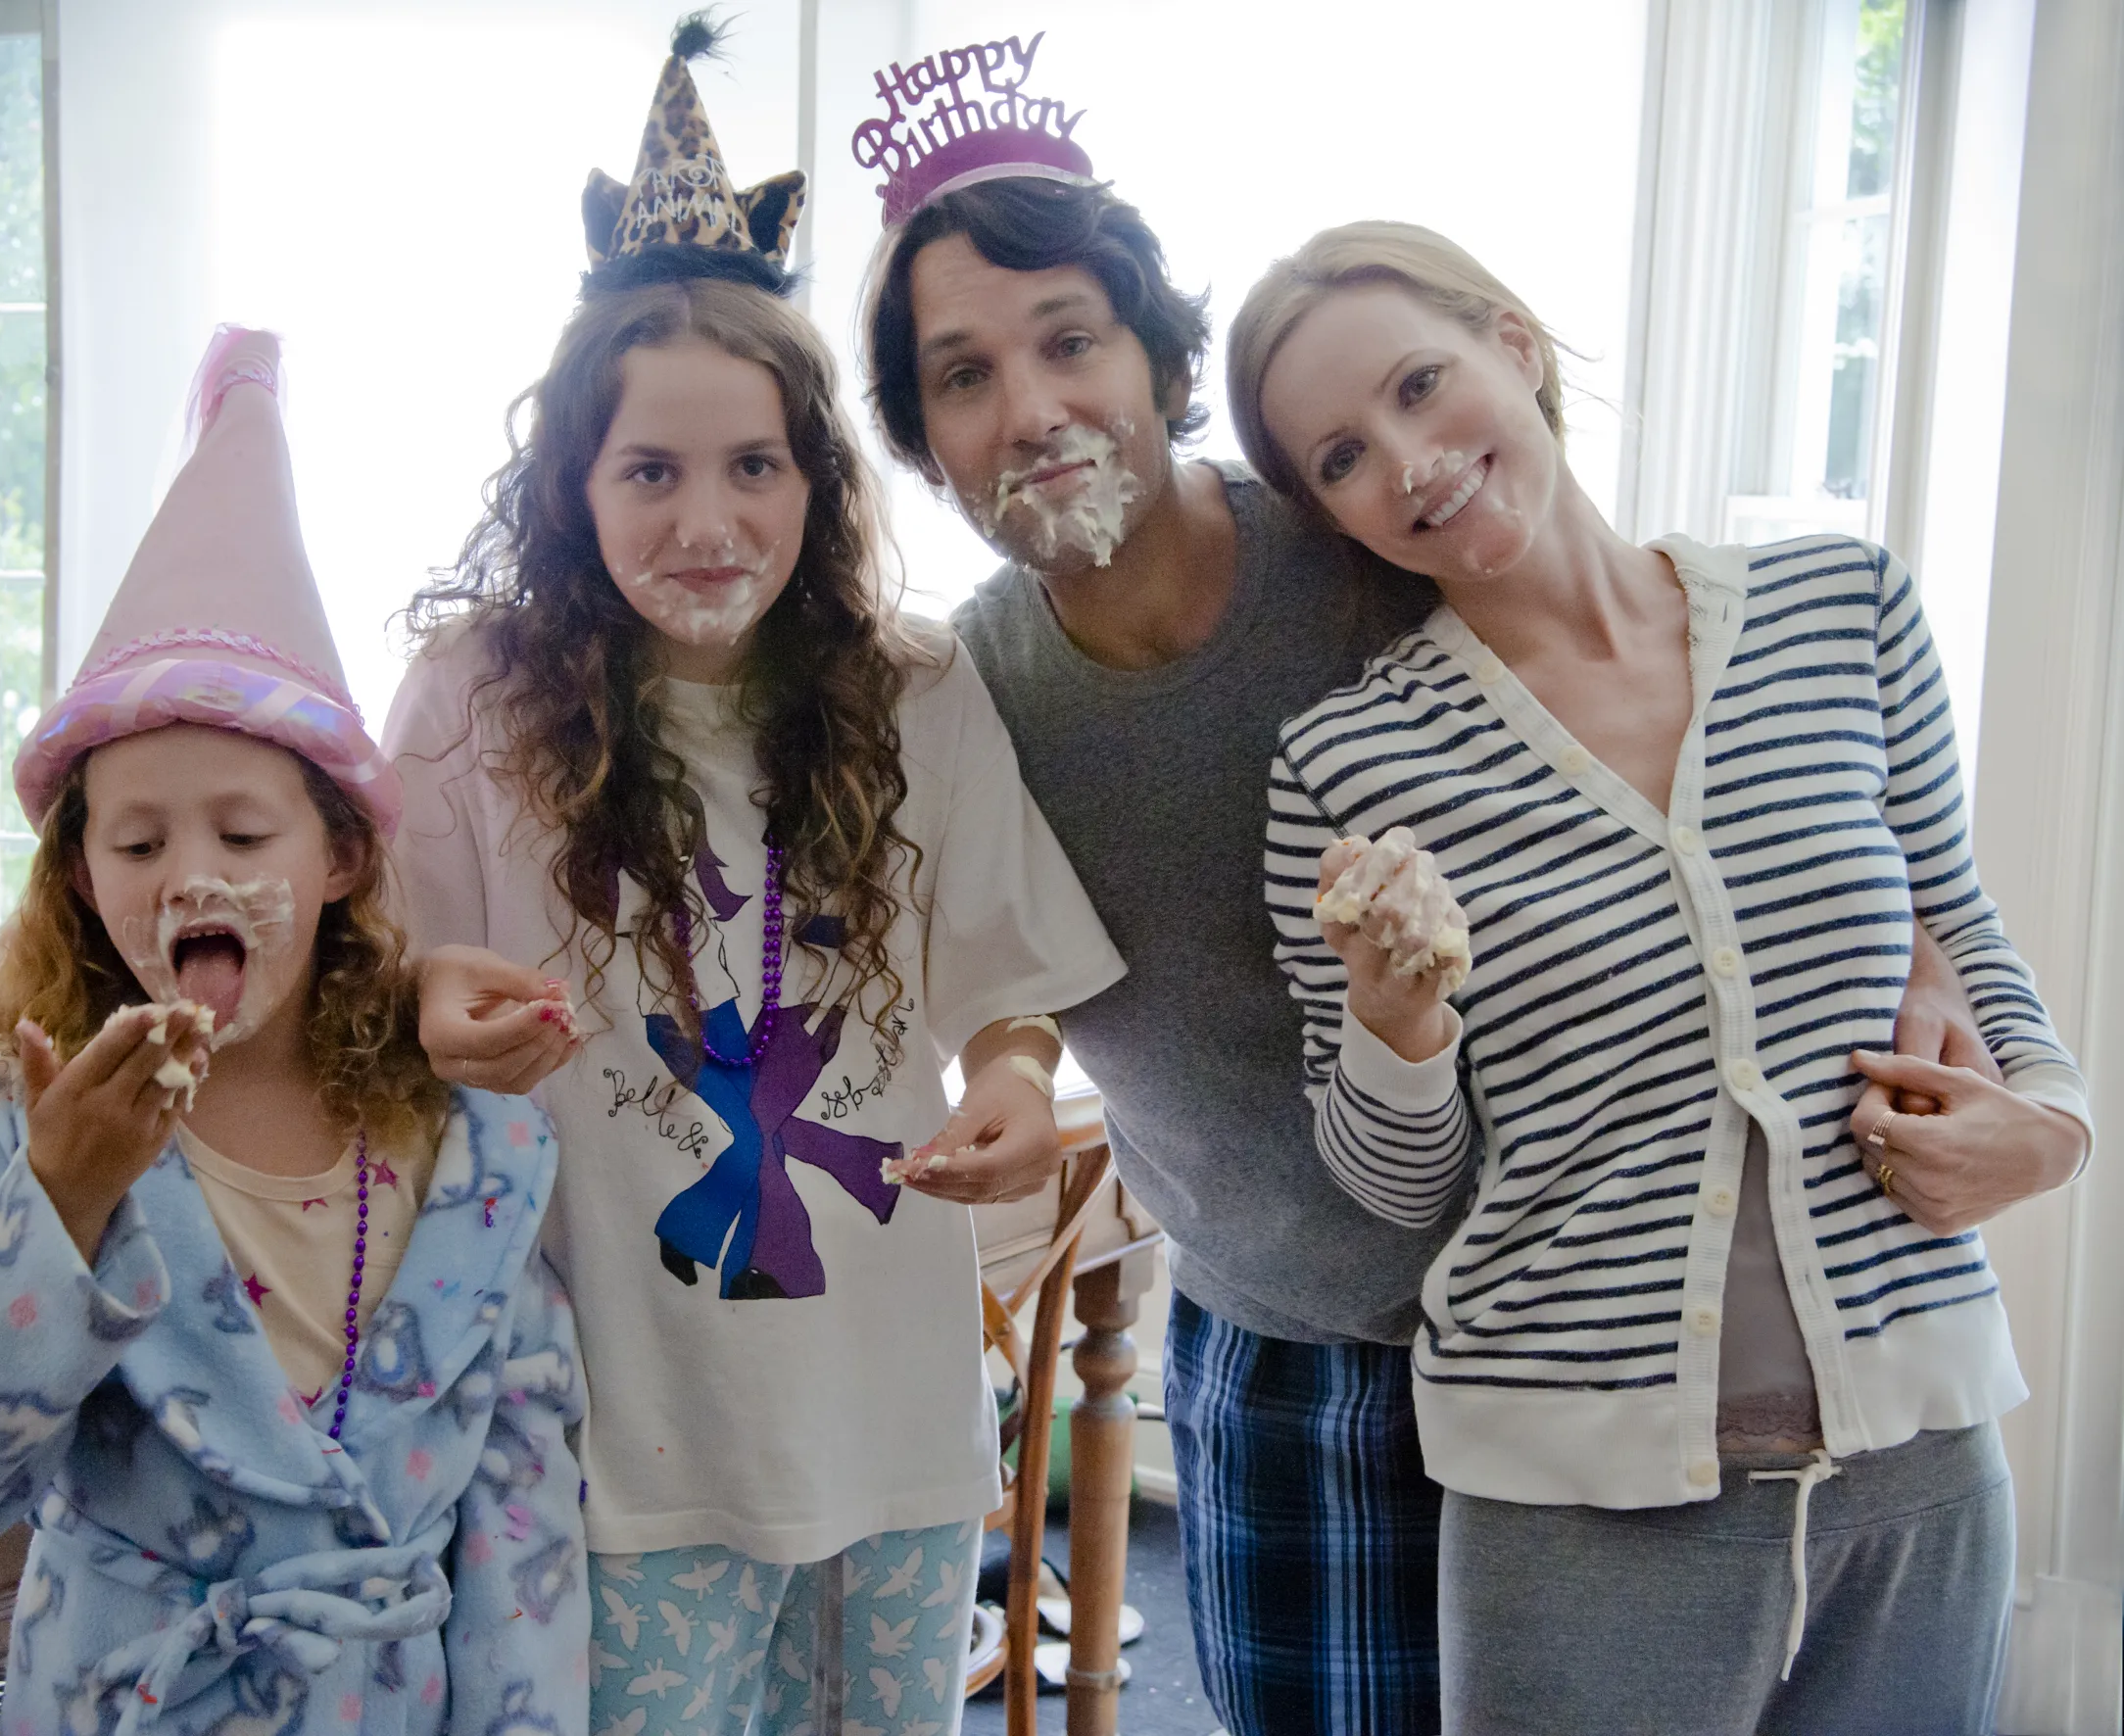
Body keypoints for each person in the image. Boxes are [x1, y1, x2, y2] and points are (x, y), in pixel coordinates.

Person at [850, 32, 2049, 1736]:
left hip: (1605, 1330)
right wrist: (1014, 1072)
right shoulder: (969, 698)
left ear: (1156, 356)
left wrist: (1924, 940)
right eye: (963, 377)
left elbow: (1677, 724)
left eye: (1070, 341)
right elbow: (997, 952)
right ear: (923, 444)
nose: (1032, 410)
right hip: (1294, 1346)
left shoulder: (1362, 540)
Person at [1234, 220, 2094, 1734]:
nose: (1409, 458)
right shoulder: (1347, 766)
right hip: (1574, 1502)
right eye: (1343, 457)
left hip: (1921, 1456)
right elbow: (1395, 1185)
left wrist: (2053, 1124)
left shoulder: (1845, 612)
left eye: (1423, 384)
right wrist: (1396, 1022)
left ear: (1516, 342)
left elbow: (1963, 922)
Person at [384, 24, 1125, 1733]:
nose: (706, 520)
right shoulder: (472, 706)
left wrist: (1014, 1076)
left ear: (819, 480)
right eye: (650, 469)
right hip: (620, 1432)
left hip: (892, 1415)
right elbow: (359, 986)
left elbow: (1005, 986)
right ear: (574, 485)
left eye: (754, 468)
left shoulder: (913, 691)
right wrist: (419, 999)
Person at [0, 328, 590, 1734]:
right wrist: (60, 1201)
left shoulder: (469, 1148)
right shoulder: (18, 1130)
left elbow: (523, 1527)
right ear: (81, 879)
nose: (189, 872)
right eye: (134, 841)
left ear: (340, 862)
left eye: (245, 830)